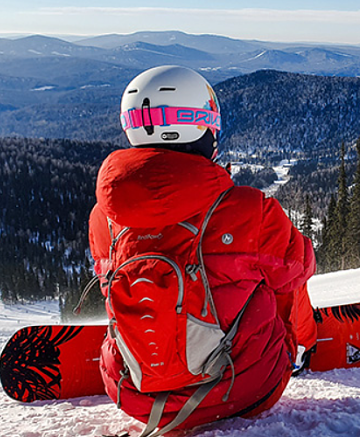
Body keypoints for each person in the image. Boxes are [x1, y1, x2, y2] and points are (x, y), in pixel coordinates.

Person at [88, 65, 317, 433]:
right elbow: (299, 269)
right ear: (203, 127)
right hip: (245, 390)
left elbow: (109, 288)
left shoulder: (105, 216)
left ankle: (144, 355)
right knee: (282, 280)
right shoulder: (249, 208)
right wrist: (302, 338)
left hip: (135, 399)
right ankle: (305, 347)